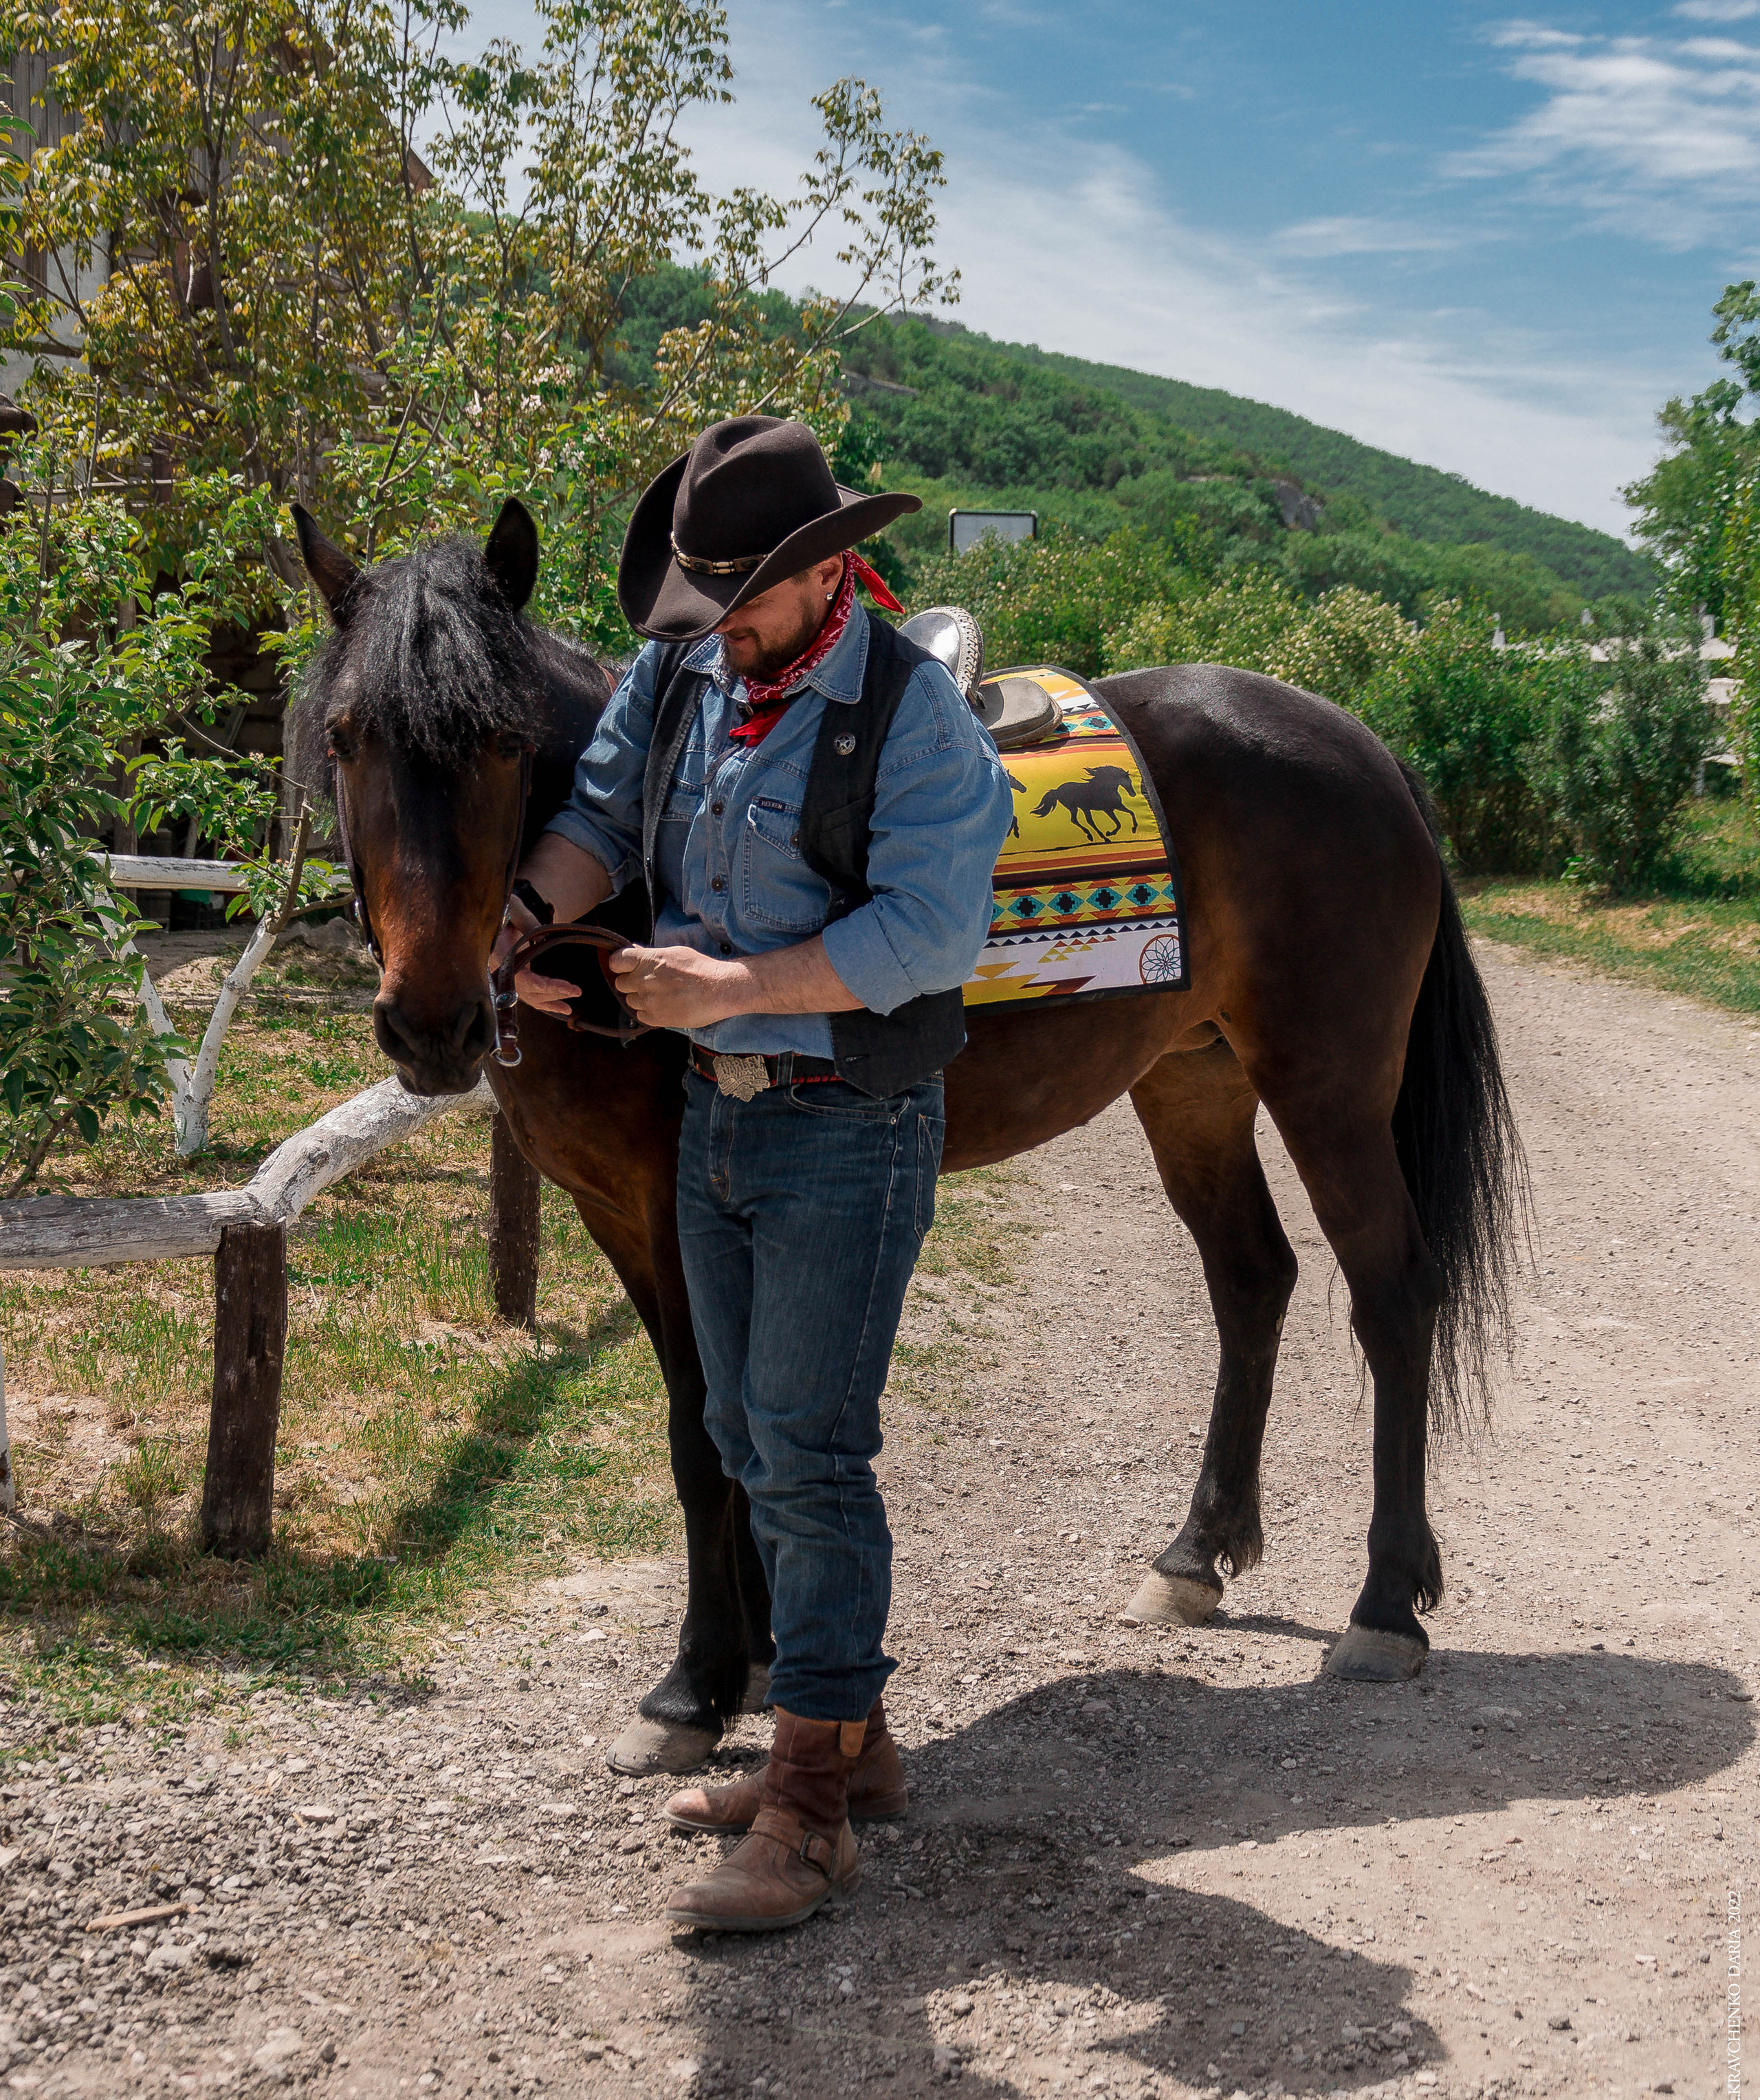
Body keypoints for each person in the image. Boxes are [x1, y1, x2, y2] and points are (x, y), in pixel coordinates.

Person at [494, 415, 1015, 1932]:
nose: (714, 625)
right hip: (719, 1117)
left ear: (823, 567)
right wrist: (529, 917)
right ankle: (842, 1748)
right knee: (735, 1425)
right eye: (700, 599)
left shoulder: (913, 722)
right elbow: (595, 818)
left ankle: (804, 1810)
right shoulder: (682, 674)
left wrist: (723, 992)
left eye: (741, 597)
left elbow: (924, 940)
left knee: (803, 1443)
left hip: (844, 1120)